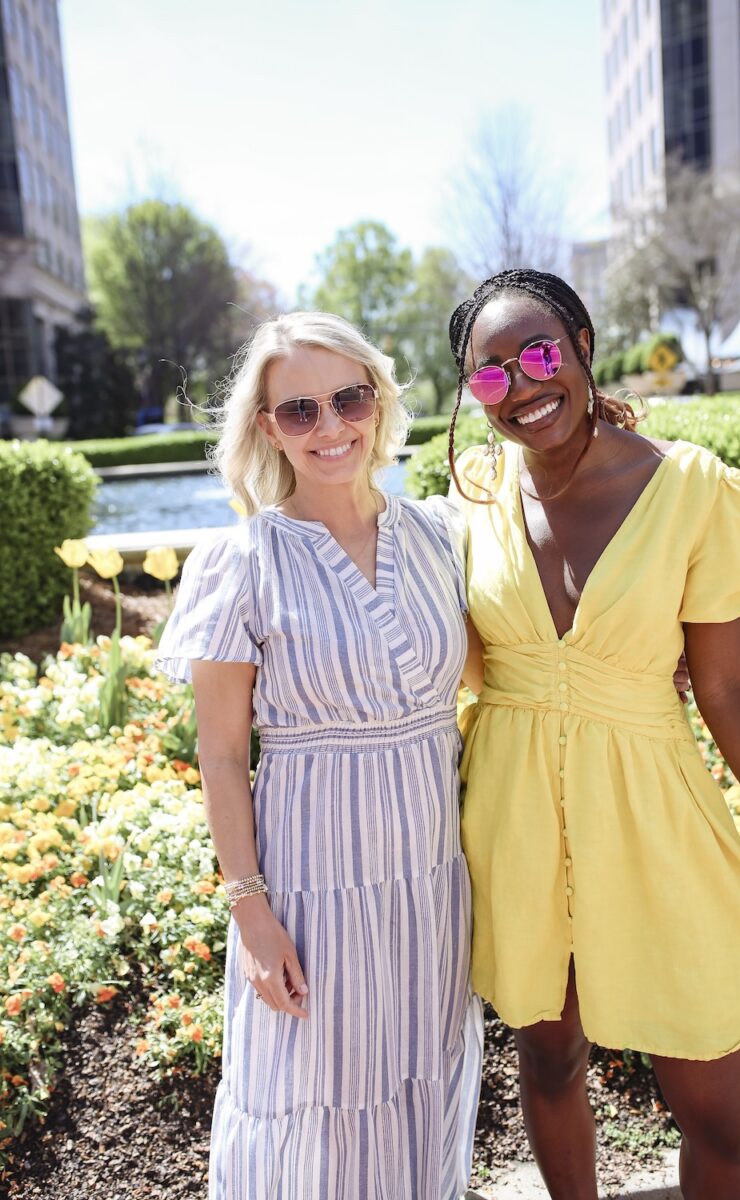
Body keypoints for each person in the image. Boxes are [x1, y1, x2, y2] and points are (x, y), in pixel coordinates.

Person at [446, 268, 740, 1200]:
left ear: (582, 345)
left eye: (538, 354)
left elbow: (726, 685)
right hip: (518, 821)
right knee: (549, 1059)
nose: (521, 386)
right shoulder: (472, 494)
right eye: (490, 374)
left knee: (722, 1120)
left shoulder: (693, 490)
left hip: (654, 820)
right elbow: (454, 657)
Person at [155, 311, 483, 1200]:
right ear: (268, 428)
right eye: (299, 410)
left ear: (379, 401)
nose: (331, 426)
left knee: (420, 1084)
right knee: (309, 1104)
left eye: (349, 399)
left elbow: (508, 669)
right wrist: (251, 915)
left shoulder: (438, 535)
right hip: (312, 890)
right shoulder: (241, 561)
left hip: (430, 883)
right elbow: (221, 754)